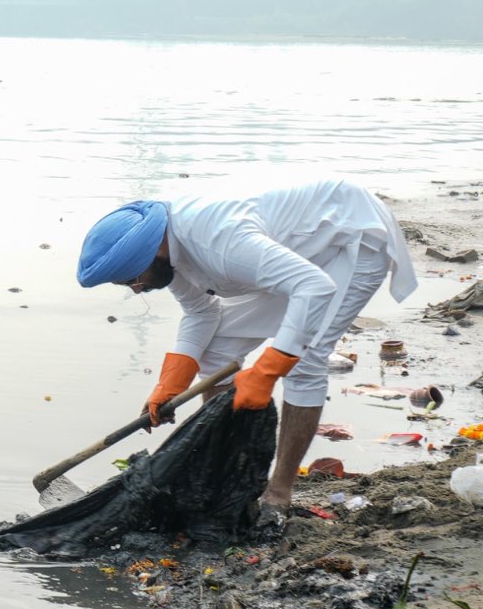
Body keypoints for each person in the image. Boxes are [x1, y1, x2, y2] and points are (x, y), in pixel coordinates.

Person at [75, 175, 419, 516]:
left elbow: (314, 287)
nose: (136, 289)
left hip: (351, 237)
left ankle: (279, 491)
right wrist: (171, 383)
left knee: (305, 359)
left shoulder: (219, 242)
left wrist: (269, 370)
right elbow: (201, 312)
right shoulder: (169, 254)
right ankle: (225, 475)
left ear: (155, 251)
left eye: (134, 279)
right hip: (294, 255)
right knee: (217, 346)